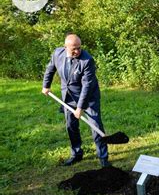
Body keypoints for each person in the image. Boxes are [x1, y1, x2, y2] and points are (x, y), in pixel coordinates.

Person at [42, 33, 110, 167]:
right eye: (74, 49)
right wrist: (46, 85)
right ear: (65, 47)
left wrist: (80, 108)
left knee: (95, 125)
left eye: (79, 48)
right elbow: (50, 69)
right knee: (71, 126)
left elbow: (87, 86)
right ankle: (76, 154)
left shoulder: (87, 60)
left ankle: (103, 157)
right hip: (68, 97)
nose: (77, 51)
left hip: (88, 97)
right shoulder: (57, 54)